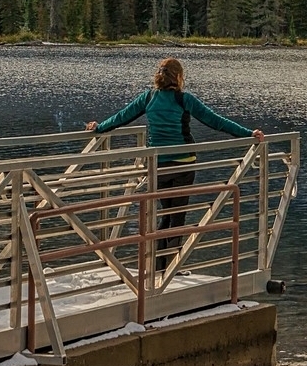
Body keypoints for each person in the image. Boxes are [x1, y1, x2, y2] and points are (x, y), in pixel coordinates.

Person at [85, 56, 264, 270]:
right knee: (176, 217)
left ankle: (159, 266)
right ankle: (170, 268)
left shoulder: (148, 98)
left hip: (158, 166)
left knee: (164, 215)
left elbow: (122, 117)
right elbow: (215, 121)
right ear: (178, 77)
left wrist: (99, 127)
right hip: (183, 165)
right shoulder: (184, 99)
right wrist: (248, 133)